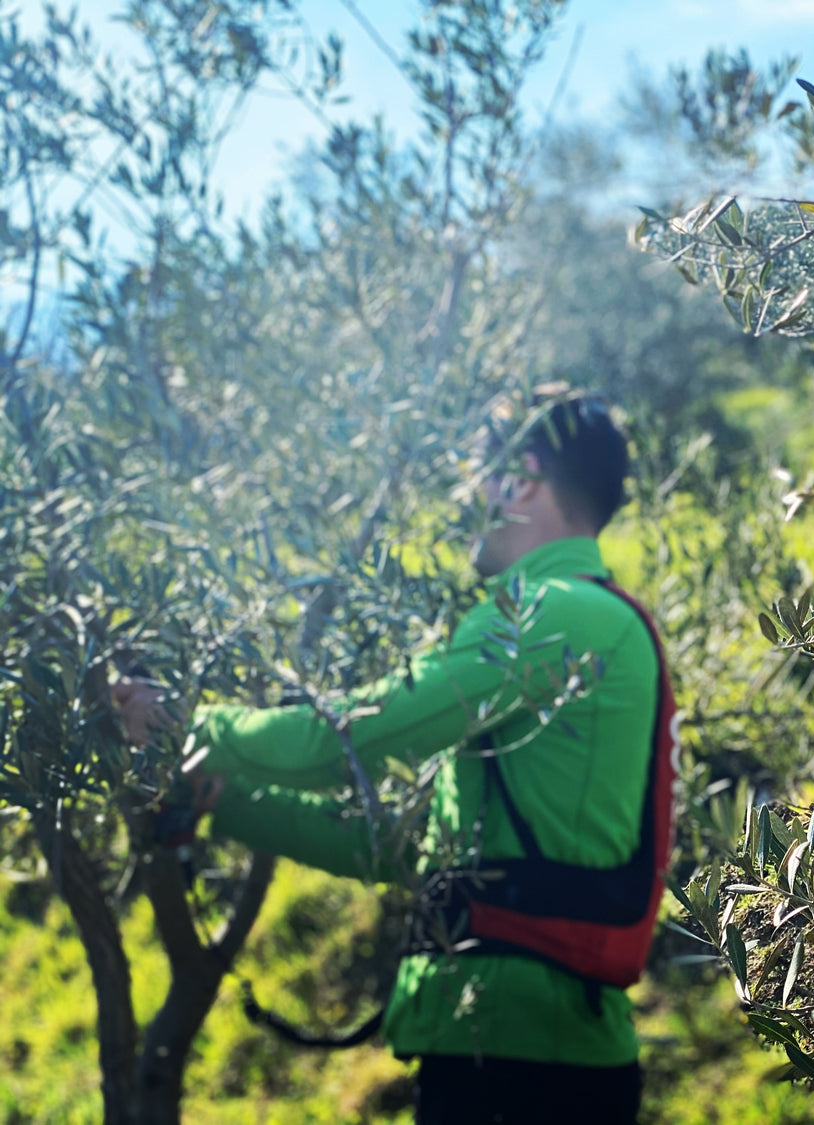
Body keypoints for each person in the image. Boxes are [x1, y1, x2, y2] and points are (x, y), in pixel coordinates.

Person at [114, 394, 675, 1125]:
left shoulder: (552, 615)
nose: (468, 493)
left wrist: (187, 722)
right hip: (523, 1056)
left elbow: (343, 740)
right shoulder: (574, 619)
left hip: (520, 1070)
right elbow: (397, 846)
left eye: (479, 471)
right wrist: (225, 796)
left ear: (522, 479)